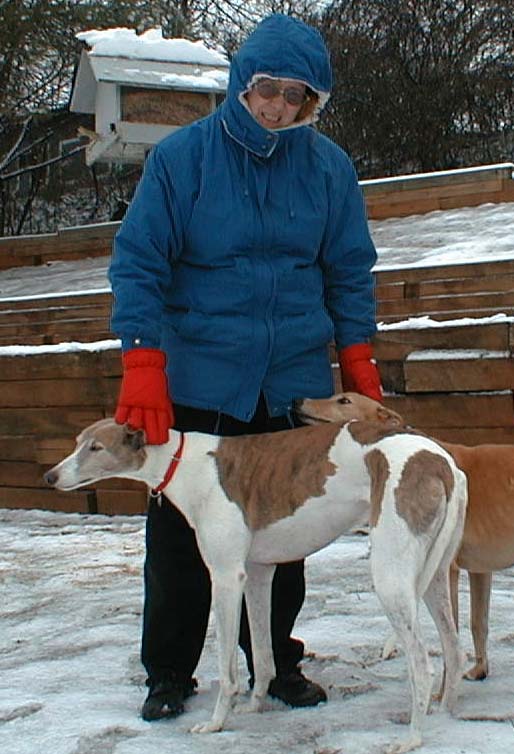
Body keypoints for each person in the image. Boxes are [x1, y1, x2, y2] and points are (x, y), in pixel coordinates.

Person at [108, 13, 383, 722]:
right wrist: (143, 359)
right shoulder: (183, 161)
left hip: (289, 379)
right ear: (242, 81)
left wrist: (356, 358)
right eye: (267, 88)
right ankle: (169, 671)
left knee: (281, 530)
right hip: (200, 377)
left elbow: (348, 270)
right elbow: (138, 262)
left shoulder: (328, 169)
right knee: (179, 533)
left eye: (296, 95)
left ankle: (274, 663)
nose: (278, 107)